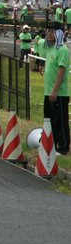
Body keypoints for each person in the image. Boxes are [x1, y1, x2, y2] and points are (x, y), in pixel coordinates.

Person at [43, 23, 70, 154]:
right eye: (48, 31)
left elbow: (62, 71)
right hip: (48, 91)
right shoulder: (50, 48)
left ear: (58, 33)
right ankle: (50, 143)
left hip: (59, 93)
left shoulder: (63, 50)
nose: (49, 33)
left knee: (60, 120)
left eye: (52, 31)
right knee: (49, 119)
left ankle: (63, 146)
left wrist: (54, 90)